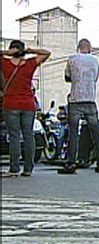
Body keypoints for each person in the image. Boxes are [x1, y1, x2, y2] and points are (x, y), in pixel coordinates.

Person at [1, 40, 51, 177]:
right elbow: (47, 53)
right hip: (28, 104)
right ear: (23, 51)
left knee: (14, 137)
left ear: (12, 50)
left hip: (11, 104)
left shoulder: (4, 63)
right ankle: (28, 169)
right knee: (29, 136)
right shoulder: (30, 64)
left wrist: (7, 53)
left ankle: (14, 169)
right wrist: (31, 50)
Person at [60, 39, 99, 174]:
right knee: (95, 132)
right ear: (90, 48)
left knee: (73, 133)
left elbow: (67, 77)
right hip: (90, 99)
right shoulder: (95, 60)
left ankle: (71, 163)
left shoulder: (72, 59)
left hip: (75, 99)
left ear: (78, 48)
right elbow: (95, 78)